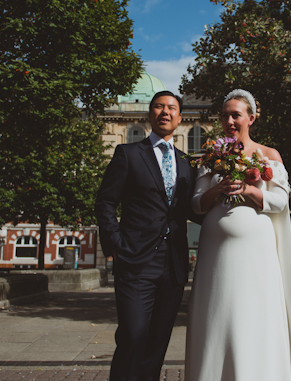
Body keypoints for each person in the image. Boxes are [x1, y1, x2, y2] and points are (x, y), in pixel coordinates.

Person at [185, 89, 291, 381]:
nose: (229, 120)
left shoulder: (268, 155)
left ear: (250, 118)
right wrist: (218, 189)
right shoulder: (210, 157)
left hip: (257, 254)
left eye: (235, 115)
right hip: (216, 253)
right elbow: (196, 204)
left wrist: (250, 190)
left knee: (255, 315)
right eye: (225, 115)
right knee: (218, 315)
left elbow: (280, 201)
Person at [95, 91, 196, 381]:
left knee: (157, 341)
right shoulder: (128, 154)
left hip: (174, 263)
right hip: (136, 260)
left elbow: (191, 209)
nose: (165, 112)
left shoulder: (186, 162)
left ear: (180, 118)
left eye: (172, 108)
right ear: (150, 114)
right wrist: (115, 243)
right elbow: (105, 202)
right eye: (159, 107)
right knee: (133, 334)